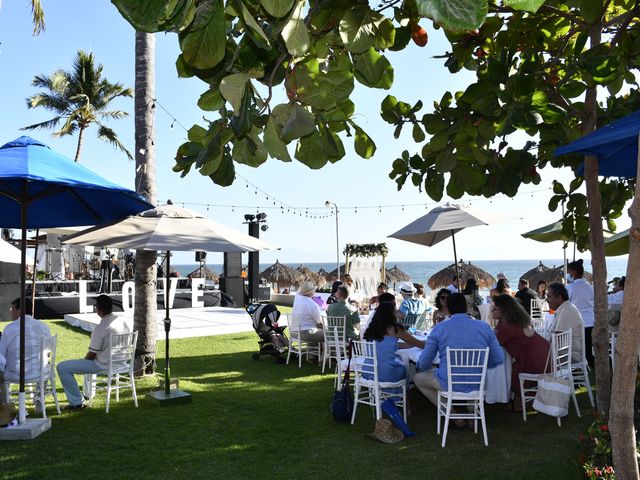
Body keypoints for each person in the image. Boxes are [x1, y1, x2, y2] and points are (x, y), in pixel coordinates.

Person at [414, 293, 504, 422]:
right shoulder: (484, 327)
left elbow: (424, 363)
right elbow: (498, 358)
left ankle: (451, 413)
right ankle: (472, 413)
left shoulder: (440, 328)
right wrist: (481, 365)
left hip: (448, 383)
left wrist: (421, 367)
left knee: (418, 378)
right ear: (466, 308)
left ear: (449, 309)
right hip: (477, 382)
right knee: (472, 378)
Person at [57, 295, 131, 410]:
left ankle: (76, 403)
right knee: (84, 364)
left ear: (98, 309)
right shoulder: (122, 322)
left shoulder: (101, 328)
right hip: (122, 362)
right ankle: (86, 395)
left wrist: (82, 363)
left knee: (62, 367)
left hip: (104, 365)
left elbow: (91, 356)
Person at [492, 294, 550, 411]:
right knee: (509, 366)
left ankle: (518, 402)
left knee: (508, 370)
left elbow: (493, 343)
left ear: (504, 310)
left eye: (495, 308)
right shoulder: (511, 321)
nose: (492, 310)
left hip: (535, 362)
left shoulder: (509, 327)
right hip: (544, 357)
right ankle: (519, 401)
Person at [363, 294, 424, 387]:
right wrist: (432, 341)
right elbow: (420, 344)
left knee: (400, 364)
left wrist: (412, 344)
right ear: (392, 313)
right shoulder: (395, 329)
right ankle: (406, 397)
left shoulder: (372, 328)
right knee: (406, 368)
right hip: (386, 374)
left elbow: (388, 345)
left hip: (368, 371)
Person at [0, 298, 51, 405]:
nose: (10, 311)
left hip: (15, 374)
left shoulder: (9, 328)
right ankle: (39, 401)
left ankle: (5, 404)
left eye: (12, 308)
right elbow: (48, 351)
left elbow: (2, 354)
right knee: (47, 365)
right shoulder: (43, 326)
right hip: (40, 372)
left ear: (19, 310)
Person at [546, 282, 584, 364]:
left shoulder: (566, 310)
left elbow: (556, 337)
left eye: (549, 297)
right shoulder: (565, 308)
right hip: (564, 353)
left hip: (568, 356)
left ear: (559, 297)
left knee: (531, 356)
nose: (547, 300)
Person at [566, 260, 594, 368]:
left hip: (576, 321)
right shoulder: (590, 287)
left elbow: (567, 303)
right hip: (589, 320)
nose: (569, 274)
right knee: (587, 345)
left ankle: (577, 365)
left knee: (575, 347)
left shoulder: (571, 287)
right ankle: (589, 364)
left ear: (574, 272)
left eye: (569, 271)